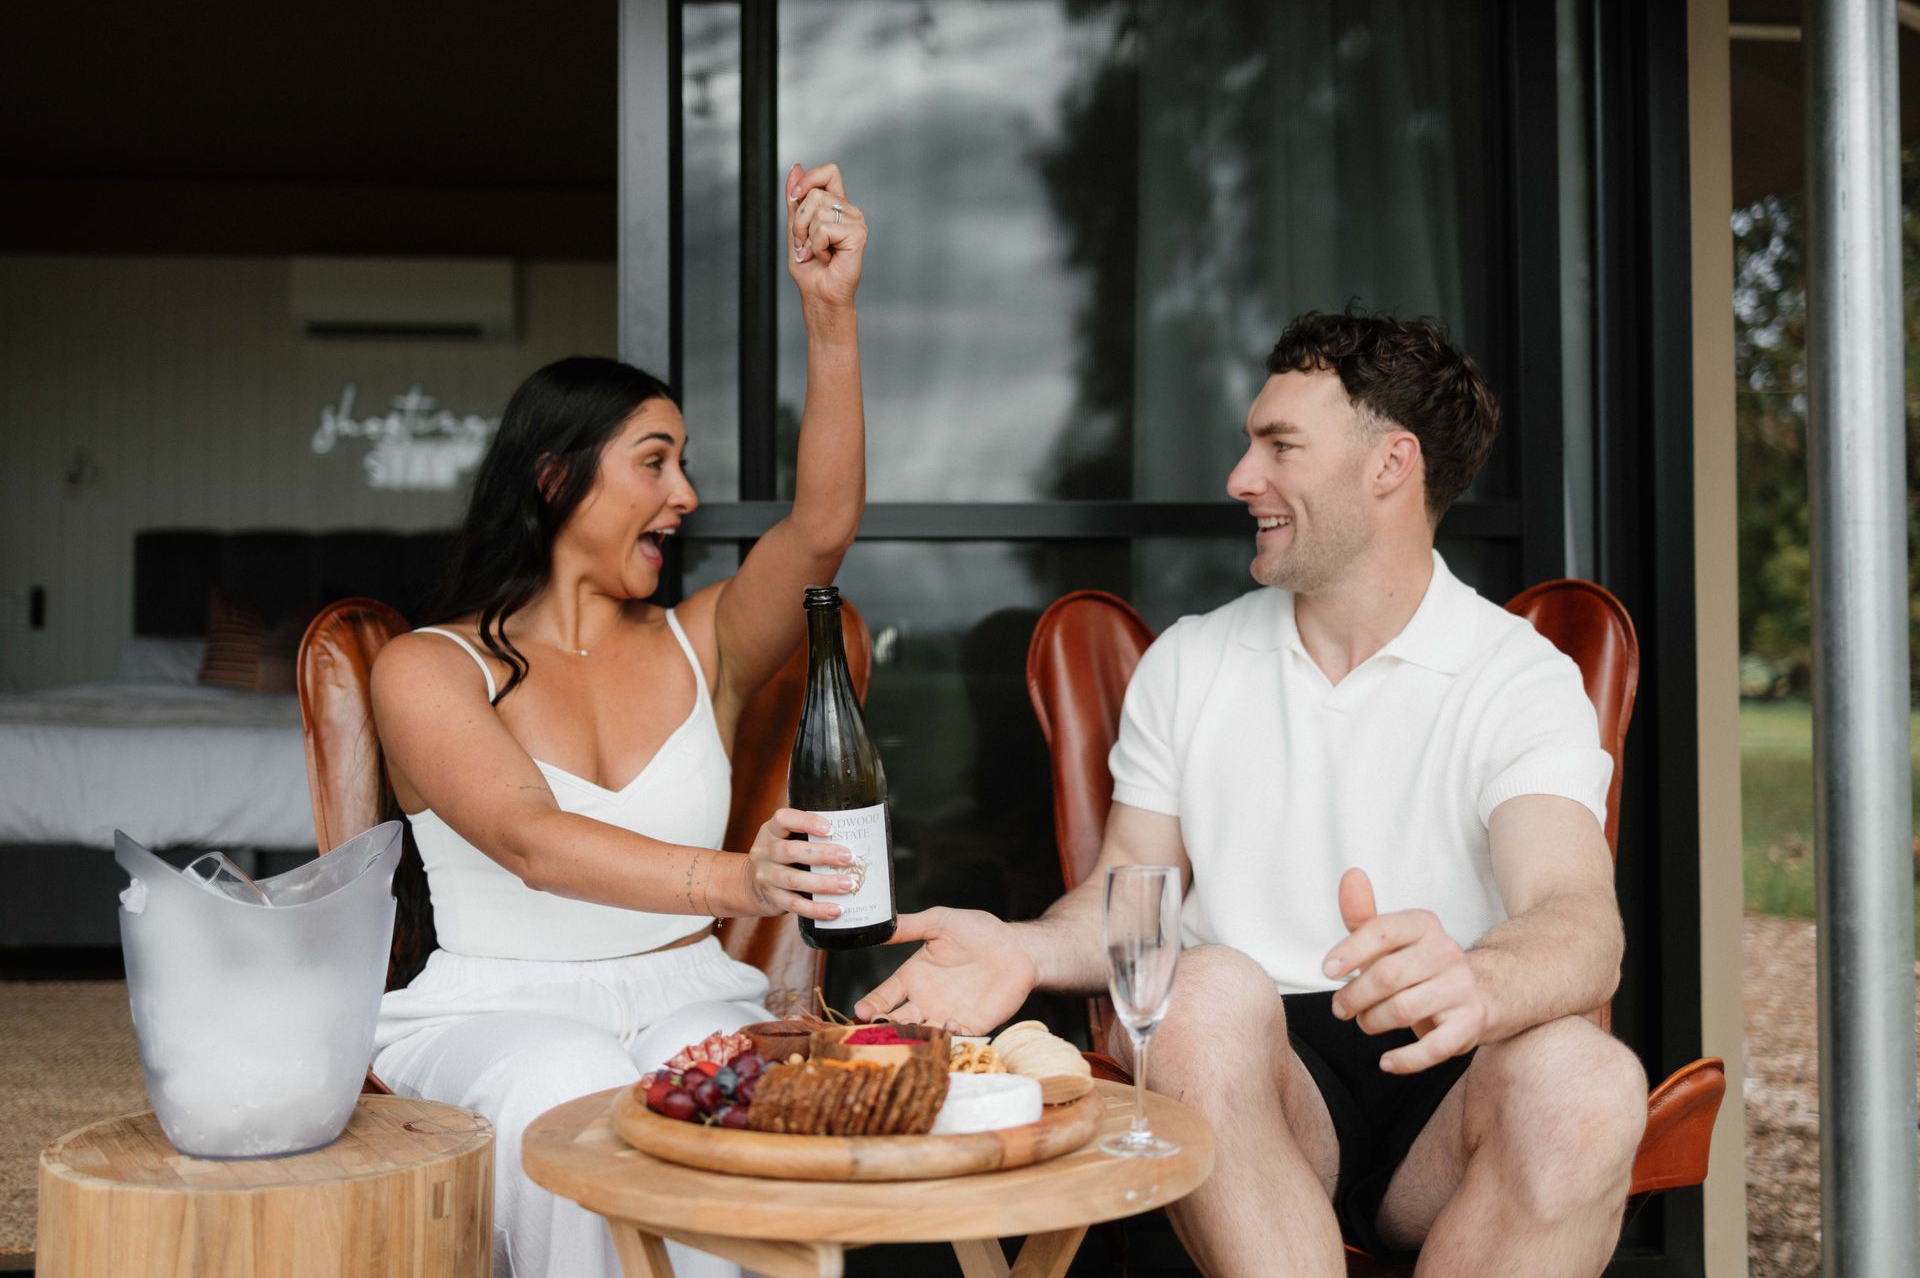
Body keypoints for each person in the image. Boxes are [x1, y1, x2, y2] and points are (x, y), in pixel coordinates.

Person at [856, 309, 1650, 1278]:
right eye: (1248, 445)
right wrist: (1020, 950)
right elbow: (1130, 903)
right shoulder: (1191, 663)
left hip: (1455, 1079)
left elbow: (1578, 920)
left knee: (1591, 1079)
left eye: (1279, 446)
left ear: (1390, 465)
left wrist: (1478, 981)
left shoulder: (1516, 676)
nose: (1240, 479)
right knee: (1199, 989)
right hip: (1258, 1082)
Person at [368, 162, 869, 1278]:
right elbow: (531, 844)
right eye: (655, 462)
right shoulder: (425, 668)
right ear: (554, 480)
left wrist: (828, 315)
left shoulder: (708, 644)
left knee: (756, 1094)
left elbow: (823, 528)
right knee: (568, 1089)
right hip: (498, 1003)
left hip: (691, 984)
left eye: (682, 464)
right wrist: (741, 879)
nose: (685, 495)